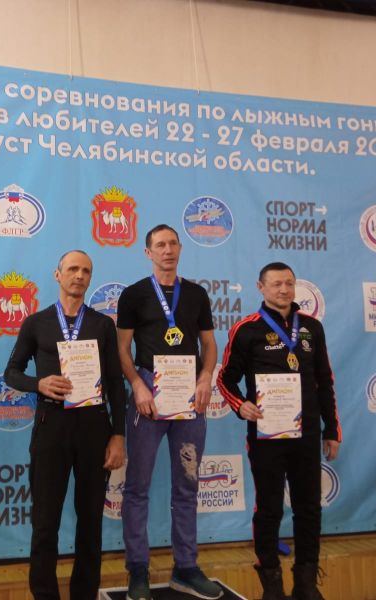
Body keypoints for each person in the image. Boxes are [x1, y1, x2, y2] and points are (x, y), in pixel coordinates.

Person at [4, 250, 126, 600]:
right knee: (45, 521)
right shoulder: (36, 323)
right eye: (72, 269)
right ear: (57, 274)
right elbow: (11, 373)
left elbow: (116, 383)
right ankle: (45, 594)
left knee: (90, 521)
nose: (79, 275)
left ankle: (84, 594)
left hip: (94, 427)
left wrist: (118, 435)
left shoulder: (103, 325)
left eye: (86, 270)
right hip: (51, 425)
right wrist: (38, 384)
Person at [217, 262, 341, 600]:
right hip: (267, 435)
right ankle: (271, 585)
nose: (284, 289)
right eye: (276, 284)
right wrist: (241, 405)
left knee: (309, 507)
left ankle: (306, 583)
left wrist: (331, 430)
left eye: (289, 283)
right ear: (261, 287)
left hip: (307, 434)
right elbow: (225, 379)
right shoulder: (246, 329)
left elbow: (325, 381)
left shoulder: (312, 327)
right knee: (269, 508)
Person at [117, 224, 223, 600]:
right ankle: (138, 570)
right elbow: (122, 350)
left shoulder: (196, 294)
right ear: (148, 252)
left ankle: (186, 567)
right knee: (137, 487)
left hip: (189, 396)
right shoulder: (133, 294)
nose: (168, 250)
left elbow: (209, 344)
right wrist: (137, 384)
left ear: (180, 248)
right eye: (160, 245)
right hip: (149, 395)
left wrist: (206, 376)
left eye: (173, 243)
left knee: (187, 484)